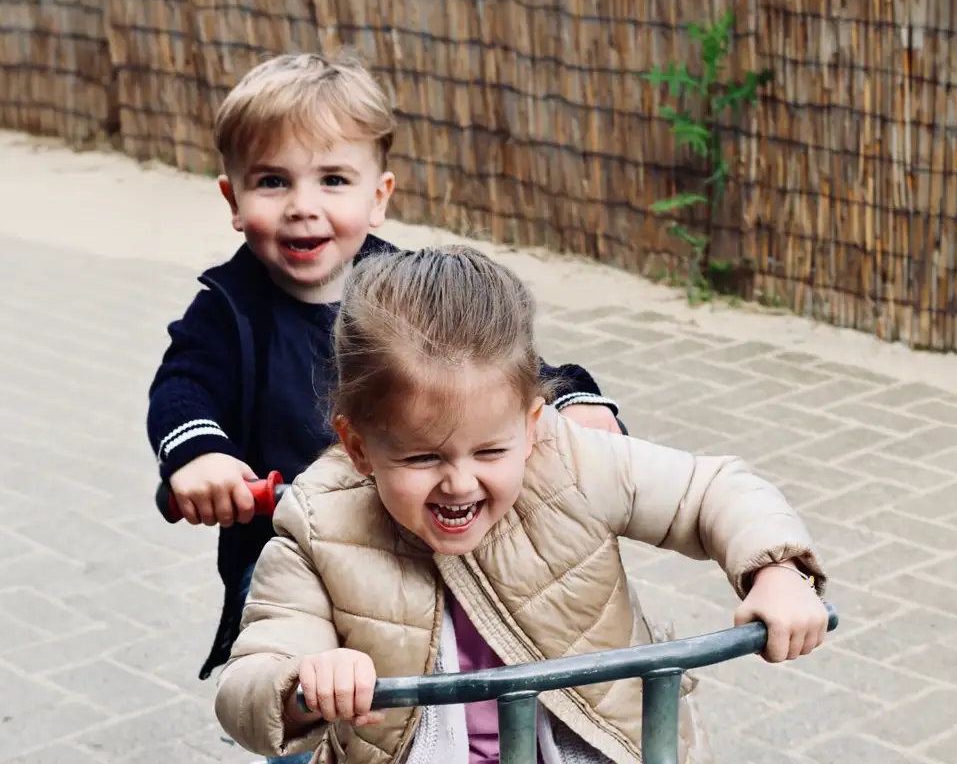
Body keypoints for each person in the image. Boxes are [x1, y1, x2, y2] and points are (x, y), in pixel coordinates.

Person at [213, 246, 830, 764]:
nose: (459, 482)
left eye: (489, 450)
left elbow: (710, 490)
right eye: (423, 459)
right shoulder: (320, 522)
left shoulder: (569, 462)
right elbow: (249, 680)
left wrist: (774, 569)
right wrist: (305, 683)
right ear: (359, 447)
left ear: (531, 425)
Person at [144, 52, 622, 716]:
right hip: (295, 550)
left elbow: (491, 362)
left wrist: (571, 398)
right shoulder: (227, 310)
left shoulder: (409, 289)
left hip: (423, 530)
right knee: (303, 692)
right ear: (232, 197)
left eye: (333, 180)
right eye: (272, 181)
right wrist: (201, 457)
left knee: (473, 674)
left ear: (379, 195)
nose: (302, 208)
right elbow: (182, 389)